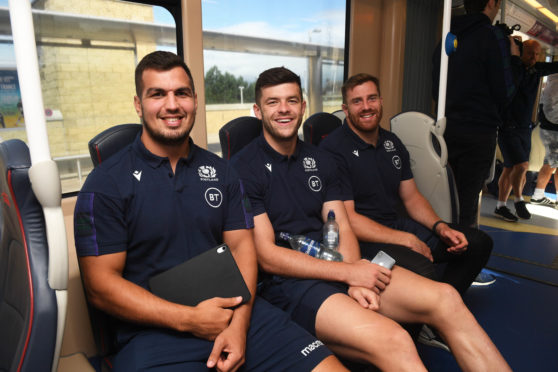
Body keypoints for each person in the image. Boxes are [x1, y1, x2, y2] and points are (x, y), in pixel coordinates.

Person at [74, 51, 347, 372]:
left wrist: (239, 324)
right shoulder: (106, 183)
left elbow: (243, 249)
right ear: (138, 104)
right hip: (154, 333)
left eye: (182, 93)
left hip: (239, 314)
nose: (172, 104)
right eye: (158, 94)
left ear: (195, 100)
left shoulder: (223, 172)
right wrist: (189, 319)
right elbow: (100, 286)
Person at [231, 66, 511, 371]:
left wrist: (354, 272)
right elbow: (267, 256)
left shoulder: (320, 160)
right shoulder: (243, 168)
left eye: (292, 100)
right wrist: (347, 275)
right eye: (273, 102)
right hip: (291, 283)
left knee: (447, 299)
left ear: (303, 106)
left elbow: (339, 223)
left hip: (339, 264)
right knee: (395, 339)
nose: (284, 109)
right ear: (258, 110)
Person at [320, 73, 493, 296]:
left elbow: (412, 198)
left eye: (371, 98)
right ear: (346, 109)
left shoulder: (392, 142)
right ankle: (438, 314)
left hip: (397, 225)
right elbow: (349, 220)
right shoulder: (334, 150)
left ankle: (442, 314)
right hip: (362, 240)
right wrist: (406, 240)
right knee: (423, 270)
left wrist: (440, 226)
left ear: (381, 102)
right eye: (357, 101)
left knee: (478, 243)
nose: (366, 107)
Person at [432, 0, 521, 227]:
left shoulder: (448, 34)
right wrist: (515, 60)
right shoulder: (493, 37)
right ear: (492, 3)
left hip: (445, 128)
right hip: (478, 132)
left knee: (442, 197)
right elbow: (505, 92)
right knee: (466, 203)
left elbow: (436, 87)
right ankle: (461, 253)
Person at [495, 40, 558, 221]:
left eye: (537, 54)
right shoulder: (512, 70)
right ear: (520, 52)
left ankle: (500, 206)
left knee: (510, 169)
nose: (533, 57)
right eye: (530, 53)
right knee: (521, 166)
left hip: (524, 128)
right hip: (507, 127)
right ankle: (519, 200)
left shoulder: (536, 69)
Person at [531, 73, 558, 207]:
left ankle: (539, 195)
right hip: (553, 129)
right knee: (552, 164)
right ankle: (538, 195)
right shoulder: (555, 86)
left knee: (552, 163)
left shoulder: (551, 84)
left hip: (550, 127)